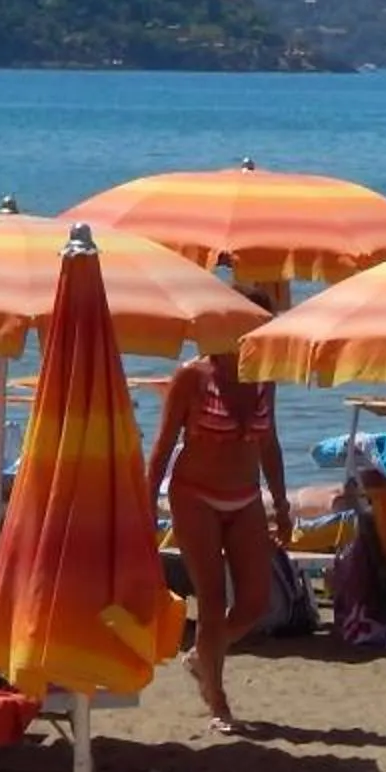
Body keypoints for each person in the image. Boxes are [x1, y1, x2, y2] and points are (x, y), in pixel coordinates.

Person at [150, 309, 294, 734]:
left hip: (245, 497)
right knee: (211, 602)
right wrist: (144, 506)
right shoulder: (193, 377)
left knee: (254, 602)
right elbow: (161, 447)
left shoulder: (264, 376)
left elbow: (269, 443)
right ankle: (218, 700)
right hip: (194, 495)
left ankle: (201, 656)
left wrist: (282, 505)